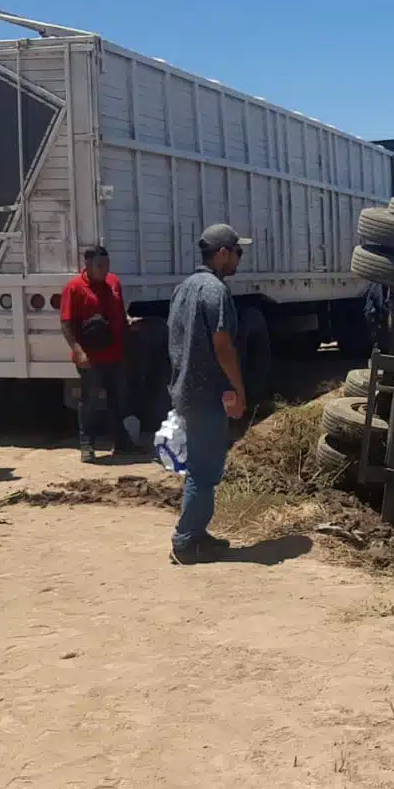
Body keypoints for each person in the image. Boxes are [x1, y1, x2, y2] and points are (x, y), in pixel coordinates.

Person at [167, 223, 250, 564]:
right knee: (204, 471)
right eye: (237, 252)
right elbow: (222, 345)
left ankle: (198, 534)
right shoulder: (215, 292)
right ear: (222, 253)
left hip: (185, 390)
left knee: (201, 467)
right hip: (205, 395)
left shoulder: (184, 289)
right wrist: (238, 389)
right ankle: (186, 541)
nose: (239, 259)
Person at [61, 244, 137, 462]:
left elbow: (120, 314)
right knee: (90, 401)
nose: (104, 270)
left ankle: (121, 443)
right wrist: (78, 352)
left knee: (117, 399)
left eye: (107, 265)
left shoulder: (113, 283)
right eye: (99, 265)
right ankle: (87, 445)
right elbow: (66, 324)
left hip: (114, 353)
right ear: (87, 265)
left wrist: (128, 325)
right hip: (90, 358)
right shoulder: (74, 288)